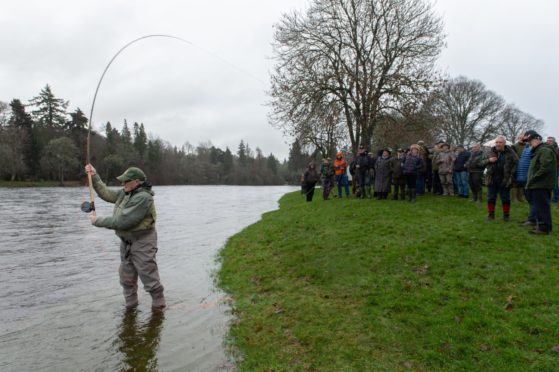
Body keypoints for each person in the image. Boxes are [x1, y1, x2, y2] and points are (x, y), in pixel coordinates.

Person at [85, 164, 166, 310]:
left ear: (136, 182)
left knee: (149, 277)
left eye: (126, 181)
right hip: (127, 243)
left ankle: (159, 309)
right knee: (126, 279)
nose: (123, 184)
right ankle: (130, 309)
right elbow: (106, 193)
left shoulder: (143, 198)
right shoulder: (126, 193)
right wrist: (94, 175)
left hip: (143, 242)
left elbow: (122, 221)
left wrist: (97, 221)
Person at [525, 130, 557, 235]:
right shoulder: (538, 150)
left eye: (531, 141)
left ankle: (544, 228)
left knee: (542, 206)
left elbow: (545, 167)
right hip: (538, 183)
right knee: (540, 206)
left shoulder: (544, 150)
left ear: (538, 139)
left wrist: (533, 178)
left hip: (541, 183)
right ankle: (542, 226)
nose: (529, 143)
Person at [481, 136, 518, 221]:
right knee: (491, 198)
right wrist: (489, 160)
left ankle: (506, 216)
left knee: (505, 198)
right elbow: (480, 163)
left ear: (504, 143)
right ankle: (491, 215)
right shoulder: (490, 152)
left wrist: (511, 175)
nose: (498, 144)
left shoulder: (510, 152)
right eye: (497, 142)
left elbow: (516, 163)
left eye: (500, 142)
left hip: (505, 179)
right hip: (492, 179)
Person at [545, 136, 559, 203]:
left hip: (555, 168)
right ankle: (548, 197)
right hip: (547, 168)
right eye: (547, 140)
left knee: (555, 184)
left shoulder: (556, 149)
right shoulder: (545, 148)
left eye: (550, 141)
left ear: (553, 141)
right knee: (547, 183)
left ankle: (556, 198)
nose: (548, 142)